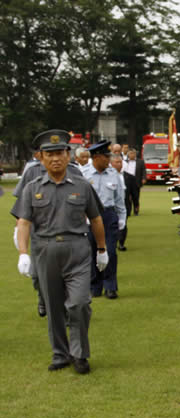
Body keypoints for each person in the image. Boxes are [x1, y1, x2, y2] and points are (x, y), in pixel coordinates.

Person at [11, 129, 108, 374]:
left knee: (79, 304)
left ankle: (80, 354)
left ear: (69, 155)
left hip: (77, 250)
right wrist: (23, 252)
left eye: (60, 153)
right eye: (50, 154)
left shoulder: (82, 186)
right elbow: (23, 222)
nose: (55, 159)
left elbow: (96, 219)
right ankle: (60, 354)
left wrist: (102, 250)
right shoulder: (32, 188)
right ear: (41, 157)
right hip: (45, 250)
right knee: (54, 307)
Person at [83, 140, 127, 299]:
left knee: (110, 251)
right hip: (88, 217)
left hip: (108, 216)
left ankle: (110, 286)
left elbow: (119, 199)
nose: (109, 159)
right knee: (91, 251)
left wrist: (122, 218)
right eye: (105, 156)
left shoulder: (114, 174)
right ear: (96, 157)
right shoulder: (84, 174)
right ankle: (95, 286)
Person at [110, 155, 130, 251]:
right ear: (111, 163)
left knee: (123, 224)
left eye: (120, 162)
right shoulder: (109, 176)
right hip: (112, 205)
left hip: (123, 203)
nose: (119, 164)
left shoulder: (126, 175)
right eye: (116, 162)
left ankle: (121, 243)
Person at [123, 148, 146, 216]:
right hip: (127, 181)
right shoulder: (124, 161)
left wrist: (144, 178)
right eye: (130, 153)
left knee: (135, 197)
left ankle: (136, 211)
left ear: (135, 154)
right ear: (128, 154)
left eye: (133, 153)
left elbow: (144, 171)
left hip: (136, 181)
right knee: (127, 197)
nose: (132, 155)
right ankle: (128, 211)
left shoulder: (140, 161)